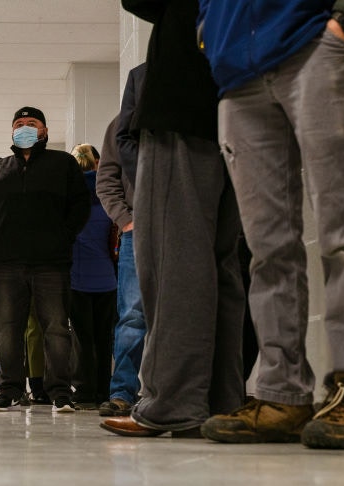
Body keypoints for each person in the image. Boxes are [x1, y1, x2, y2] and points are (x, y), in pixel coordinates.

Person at [198, 0, 344, 449]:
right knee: (267, 248)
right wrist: (208, 32)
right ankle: (281, 394)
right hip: (237, 74)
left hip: (318, 43)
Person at [101, 0, 245, 438]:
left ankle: (172, 403)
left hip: (183, 99)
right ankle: (222, 400)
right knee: (222, 266)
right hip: (236, 94)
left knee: (173, 266)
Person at [0, 106, 89, 413]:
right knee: (7, 328)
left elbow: (80, 205)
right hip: (8, 264)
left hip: (52, 262)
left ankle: (60, 392)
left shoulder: (63, 164)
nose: (25, 128)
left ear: (44, 131)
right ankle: (9, 390)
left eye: (32, 123)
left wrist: (64, 236)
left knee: (56, 329)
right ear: (12, 131)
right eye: (19, 124)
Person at [96, 66, 147, 418]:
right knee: (132, 315)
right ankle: (123, 392)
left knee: (182, 312)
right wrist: (126, 221)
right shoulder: (120, 124)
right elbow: (107, 179)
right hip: (136, 233)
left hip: (182, 229)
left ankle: (176, 390)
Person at [68, 143, 117, 410]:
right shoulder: (110, 194)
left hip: (77, 278)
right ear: (98, 164)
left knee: (82, 338)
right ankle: (104, 391)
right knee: (104, 336)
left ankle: (84, 390)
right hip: (107, 278)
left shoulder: (69, 197)